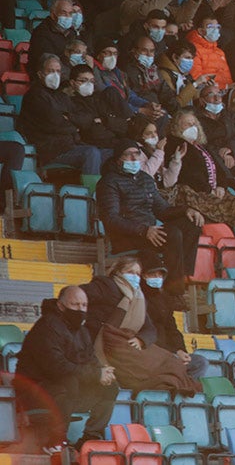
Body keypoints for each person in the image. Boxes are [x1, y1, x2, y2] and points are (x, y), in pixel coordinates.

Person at [13, 286, 118, 455]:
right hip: (34, 390)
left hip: (67, 391)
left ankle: (90, 437)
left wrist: (102, 371)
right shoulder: (47, 327)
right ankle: (55, 441)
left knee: (110, 386)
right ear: (61, 306)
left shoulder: (82, 331)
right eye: (75, 304)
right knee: (69, 381)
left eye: (84, 305)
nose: (80, 309)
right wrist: (95, 374)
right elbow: (57, 367)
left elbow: (90, 359)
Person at [96, 140, 205, 296]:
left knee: (191, 224)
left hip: (150, 234)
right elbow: (111, 219)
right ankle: (175, 292)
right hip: (126, 236)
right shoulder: (108, 182)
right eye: (128, 155)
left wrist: (187, 210)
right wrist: (144, 230)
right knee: (172, 233)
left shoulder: (145, 179)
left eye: (137, 154)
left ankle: (180, 276)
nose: (134, 159)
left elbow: (163, 210)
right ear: (118, 159)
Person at [81, 256, 201, 394]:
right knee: (168, 364)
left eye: (137, 274)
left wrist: (141, 339)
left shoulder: (138, 297)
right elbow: (75, 297)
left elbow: (149, 329)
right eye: (130, 272)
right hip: (105, 342)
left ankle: (174, 390)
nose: (135, 277)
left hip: (128, 344)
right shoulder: (105, 286)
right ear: (117, 272)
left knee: (177, 363)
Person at [139, 253, 209, 379]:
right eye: (153, 275)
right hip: (153, 352)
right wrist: (173, 352)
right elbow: (148, 333)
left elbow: (172, 329)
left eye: (160, 275)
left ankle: (184, 392)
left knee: (201, 362)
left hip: (172, 352)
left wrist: (181, 350)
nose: (157, 278)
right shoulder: (139, 298)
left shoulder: (164, 298)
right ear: (143, 276)